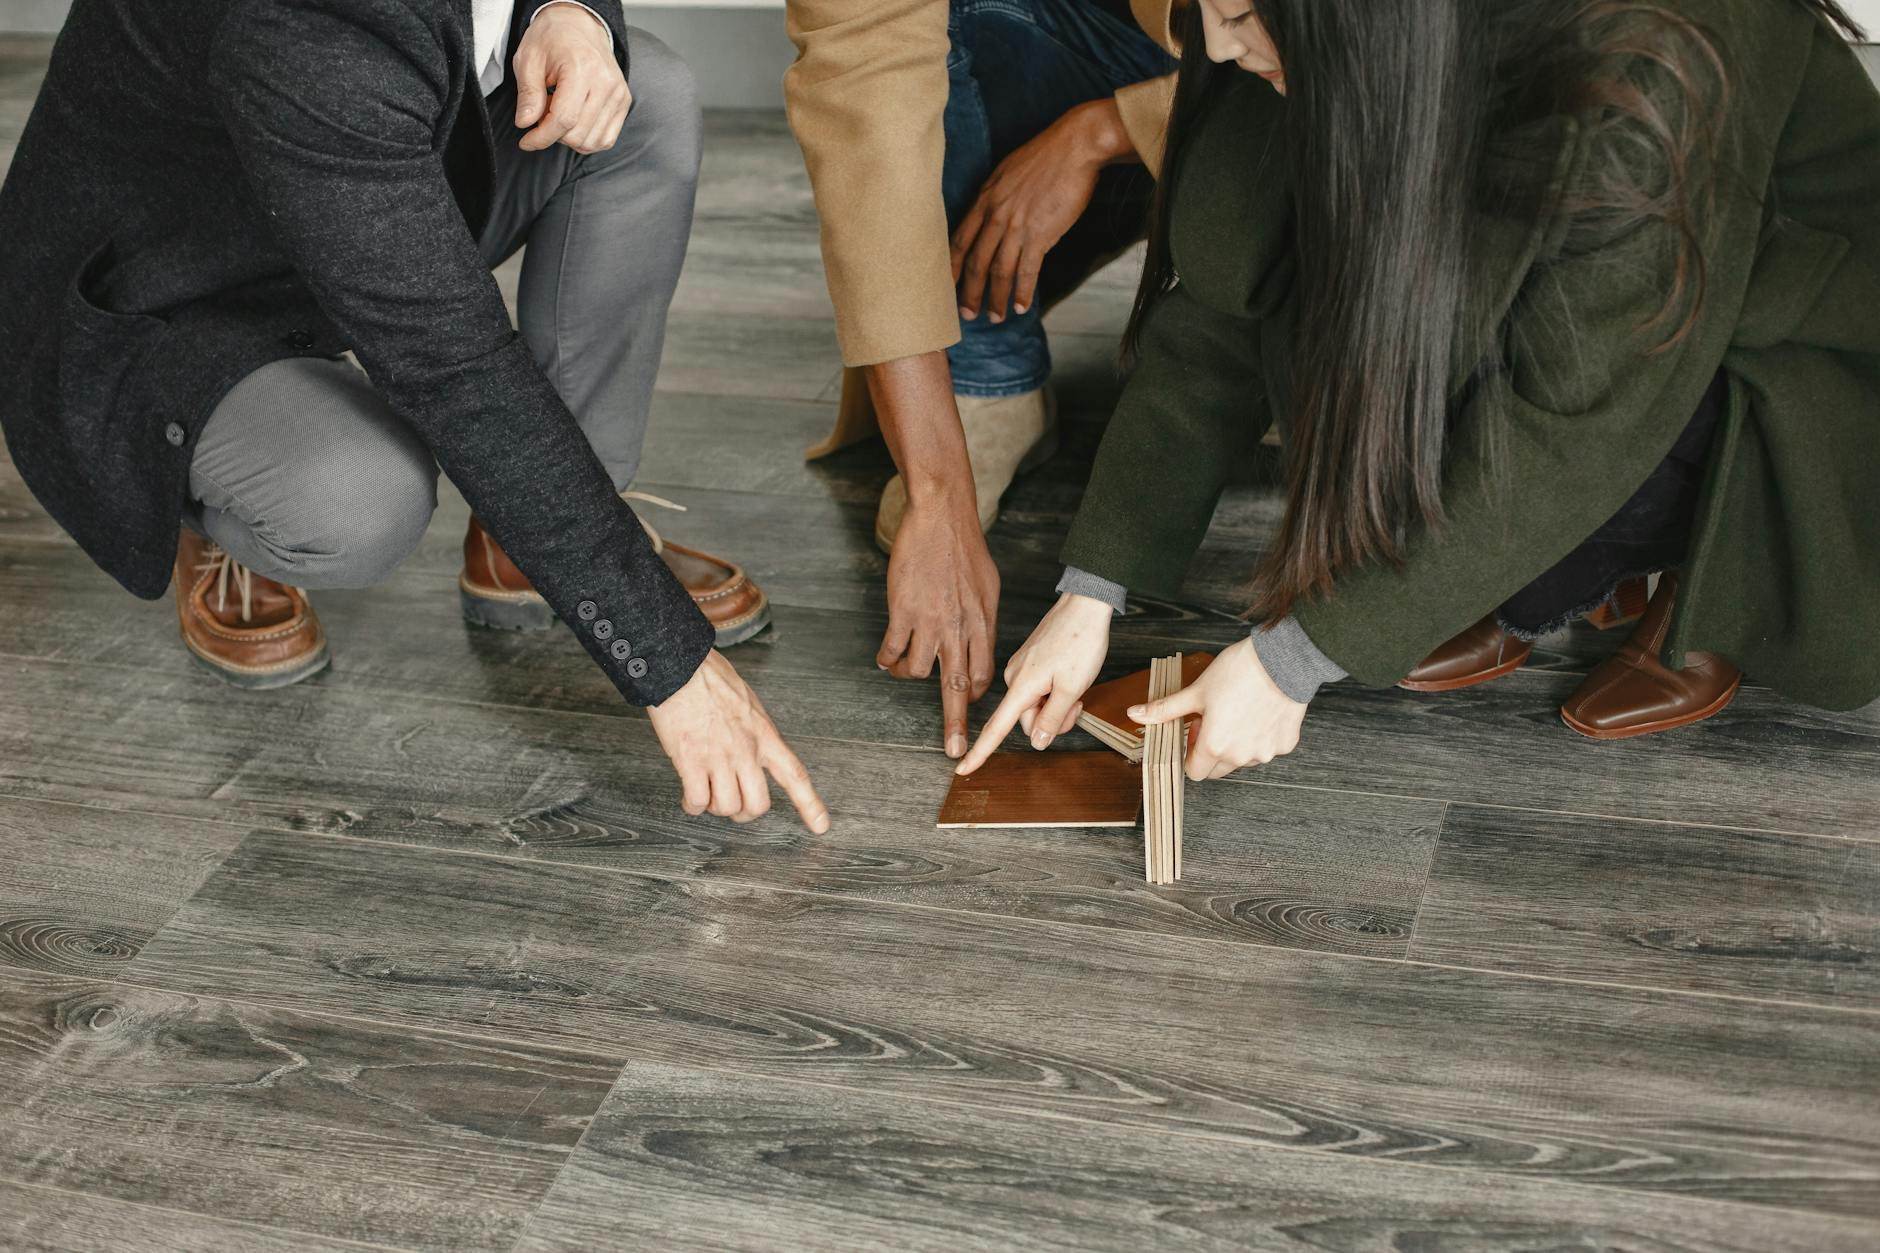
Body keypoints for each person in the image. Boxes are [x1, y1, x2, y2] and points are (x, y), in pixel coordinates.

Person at [962, 0, 1880, 779]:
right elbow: (1220, 308)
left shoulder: (1647, 69)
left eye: (1239, 15)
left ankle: (1715, 581)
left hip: (1772, 333)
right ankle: (1521, 576)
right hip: (1569, 298)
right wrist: (1093, 593)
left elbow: (1571, 429)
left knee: (1573, 474)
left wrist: (1293, 662)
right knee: (1387, 368)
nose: (1216, 43)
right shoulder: (1320, 34)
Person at [0, 0, 827, 832]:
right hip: (177, 295)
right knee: (361, 498)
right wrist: (671, 661)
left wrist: (567, 11)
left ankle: (534, 543)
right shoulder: (305, 35)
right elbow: (453, 364)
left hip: (371, 164)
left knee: (644, 92)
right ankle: (206, 494)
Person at [782, 0, 1178, 760]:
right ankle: (989, 377)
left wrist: (1108, 128)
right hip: (1061, 41)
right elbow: (863, 63)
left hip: (1268, 75)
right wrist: (939, 488)